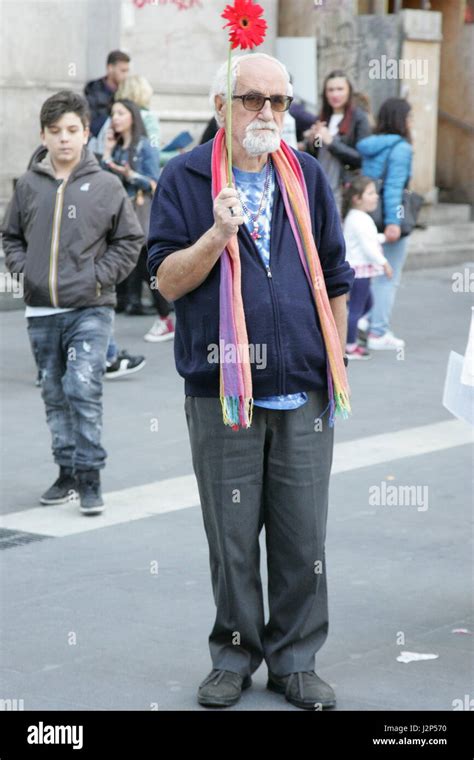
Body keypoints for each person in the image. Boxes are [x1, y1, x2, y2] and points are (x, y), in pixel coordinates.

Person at [148, 53, 354, 710]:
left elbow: (338, 279)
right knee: (231, 540)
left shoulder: (310, 177)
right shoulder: (182, 179)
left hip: (303, 392)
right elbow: (165, 281)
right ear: (220, 107)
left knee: (303, 538)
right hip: (220, 393)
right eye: (252, 98)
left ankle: (295, 662)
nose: (268, 113)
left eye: (280, 100)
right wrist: (216, 234)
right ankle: (233, 656)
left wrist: (334, 370)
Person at [2, 91, 143, 514]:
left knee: (82, 386)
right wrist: (26, 271)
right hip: (42, 311)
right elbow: (10, 237)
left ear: (86, 134)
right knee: (54, 392)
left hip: (91, 308)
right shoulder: (28, 186)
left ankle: (89, 476)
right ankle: (65, 471)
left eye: (73, 130)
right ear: (43, 135)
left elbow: (130, 240)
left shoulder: (105, 185)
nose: (64, 139)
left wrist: (97, 278)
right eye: (55, 131)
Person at [102, 99, 173, 342]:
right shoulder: (120, 147)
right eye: (113, 114)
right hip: (122, 213)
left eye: (120, 113)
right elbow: (103, 177)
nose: (115, 118)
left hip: (141, 214)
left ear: (133, 116)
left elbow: (154, 183)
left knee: (145, 267)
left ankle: (166, 318)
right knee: (139, 268)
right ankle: (167, 315)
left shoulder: (144, 146)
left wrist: (129, 174)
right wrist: (108, 152)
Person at [356, 98, 414, 350]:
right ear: (402, 120)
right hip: (388, 217)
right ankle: (378, 332)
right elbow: (393, 188)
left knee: (371, 272)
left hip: (369, 215)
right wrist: (394, 222)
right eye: (410, 118)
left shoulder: (370, 145)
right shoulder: (402, 148)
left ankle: (365, 320)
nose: (412, 123)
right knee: (388, 276)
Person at [304, 69, 371, 210]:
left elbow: (361, 158)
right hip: (321, 185)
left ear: (349, 91)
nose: (335, 94)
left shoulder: (359, 118)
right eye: (331, 90)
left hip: (345, 189)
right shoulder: (323, 118)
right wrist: (312, 141)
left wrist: (331, 142)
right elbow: (316, 154)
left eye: (340, 89)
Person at [342, 176, 393, 360]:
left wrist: (383, 238)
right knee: (356, 308)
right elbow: (368, 247)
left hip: (357, 269)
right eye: (370, 193)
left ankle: (350, 327)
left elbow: (369, 240)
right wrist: (384, 263)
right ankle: (349, 345)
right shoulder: (360, 219)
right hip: (359, 270)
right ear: (357, 198)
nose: (376, 197)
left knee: (366, 304)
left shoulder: (358, 217)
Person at [84, 50, 130, 138]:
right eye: (123, 71)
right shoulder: (93, 92)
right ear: (110, 68)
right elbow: (91, 124)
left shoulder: (127, 92)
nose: (126, 75)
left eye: (127, 71)